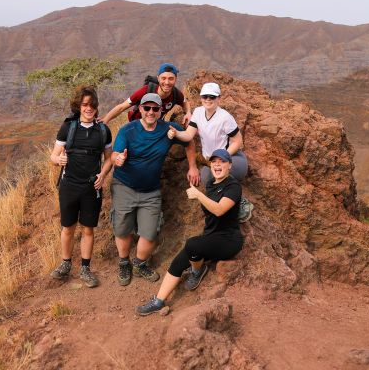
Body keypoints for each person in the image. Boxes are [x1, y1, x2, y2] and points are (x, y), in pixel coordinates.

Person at [135, 149, 244, 315]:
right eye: (214, 162)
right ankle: (158, 301)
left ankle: (197, 270)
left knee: (192, 245)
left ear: (229, 165)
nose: (217, 165)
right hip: (211, 238)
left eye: (222, 161)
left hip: (229, 240)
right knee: (178, 261)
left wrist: (199, 195)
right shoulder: (211, 185)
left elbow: (220, 210)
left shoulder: (233, 186)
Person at [98, 92, 189, 286]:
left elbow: (189, 140)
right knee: (122, 229)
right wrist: (118, 159)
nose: (150, 112)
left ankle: (139, 264)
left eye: (155, 109)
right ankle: (124, 263)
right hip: (124, 186)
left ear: (160, 111)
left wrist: (194, 166)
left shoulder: (169, 129)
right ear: (140, 110)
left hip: (151, 191)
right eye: (146, 108)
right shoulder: (128, 130)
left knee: (150, 233)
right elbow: (114, 155)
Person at [49, 85, 113, 288]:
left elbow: (109, 159)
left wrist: (103, 175)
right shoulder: (68, 127)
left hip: (91, 187)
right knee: (67, 227)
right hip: (69, 185)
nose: (89, 108)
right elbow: (53, 155)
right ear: (78, 105)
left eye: (92, 105)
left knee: (88, 229)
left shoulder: (103, 130)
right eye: (85, 105)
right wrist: (58, 160)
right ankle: (65, 264)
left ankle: (85, 268)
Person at [102, 62, 198, 185]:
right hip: (137, 126)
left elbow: (184, 101)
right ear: (158, 78)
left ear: (175, 79)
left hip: (155, 125)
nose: (167, 82)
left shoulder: (175, 93)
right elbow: (122, 107)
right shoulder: (145, 91)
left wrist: (188, 112)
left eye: (171, 79)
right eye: (163, 78)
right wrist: (105, 121)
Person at [166, 82, 247, 186]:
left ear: (218, 98)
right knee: (206, 179)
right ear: (201, 98)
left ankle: (233, 196)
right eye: (205, 96)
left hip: (230, 156)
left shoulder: (225, 117)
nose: (208, 99)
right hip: (210, 160)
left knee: (220, 177)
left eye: (212, 97)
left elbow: (237, 141)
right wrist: (177, 133)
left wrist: (222, 158)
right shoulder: (198, 112)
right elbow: (188, 135)